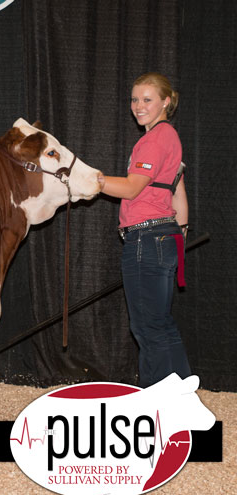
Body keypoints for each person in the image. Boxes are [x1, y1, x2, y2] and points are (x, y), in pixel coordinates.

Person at [98, 73, 191, 387]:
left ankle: (157, 403)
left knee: (148, 329)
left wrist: (89, 180)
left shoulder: (154, 139)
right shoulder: (170, 137)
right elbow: (178, 190)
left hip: (146, 238)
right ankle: (181, 395)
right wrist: (180, 234)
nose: (138, 106)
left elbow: (131, 188)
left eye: (147, 99)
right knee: (160, 325)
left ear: (166, 101)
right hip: (163, 235)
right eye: (135, 99)